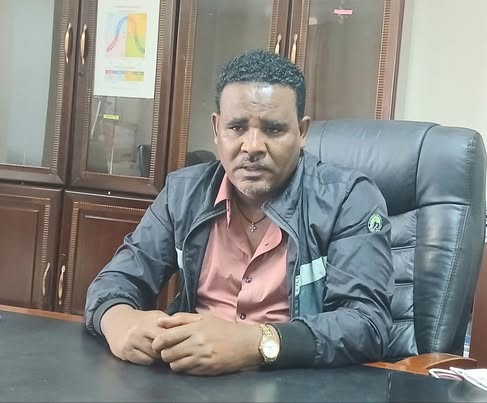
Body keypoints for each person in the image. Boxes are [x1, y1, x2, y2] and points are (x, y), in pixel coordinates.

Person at [85, 49, 394, 376]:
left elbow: (367, 323)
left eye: (273, 129)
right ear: (217, 128)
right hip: (190, 382)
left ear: (302, 132)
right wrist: (118, 320)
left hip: (294, 383)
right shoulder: (184, 194)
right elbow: (117, 279)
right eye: (237, 127)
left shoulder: (347, 199)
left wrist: (254, 343)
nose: (253, 146)